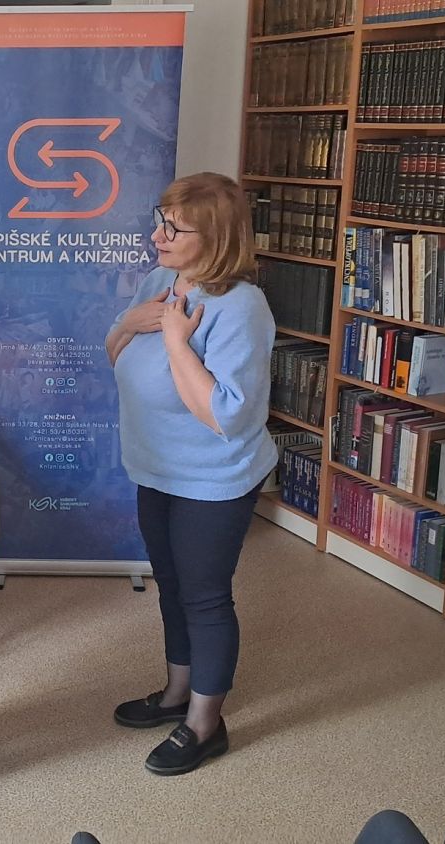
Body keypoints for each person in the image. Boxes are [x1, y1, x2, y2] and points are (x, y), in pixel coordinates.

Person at [104, 172, 279, 776]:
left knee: (204, 596)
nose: (157, 235)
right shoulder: (159, 281)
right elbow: (116, 354)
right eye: (161, 221)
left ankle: (206, 725)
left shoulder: (241, 307)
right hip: (156, 467)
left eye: (174, 228)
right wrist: (132, 324)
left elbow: (223, 415)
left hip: (213, 477)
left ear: (217, 237)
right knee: (171, 584)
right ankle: (177, 692)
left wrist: (177, 340)